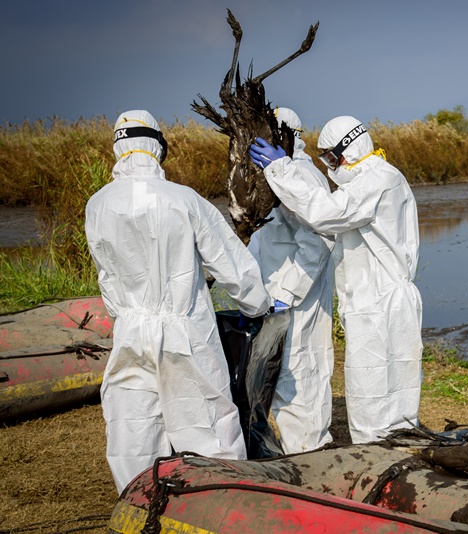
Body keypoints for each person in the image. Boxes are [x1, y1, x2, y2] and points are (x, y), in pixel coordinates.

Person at [85, 110, 272, 494]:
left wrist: (124, 316)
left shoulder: (98, 205)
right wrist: (258, 306)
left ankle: (140, 504)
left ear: (119, 148)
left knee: (133, 426)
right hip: (184, 330)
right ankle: (219, 502)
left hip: (130, 330)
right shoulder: (183, 200)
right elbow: (231, 261)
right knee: (206, 422)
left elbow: (106, 275)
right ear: (159, 148)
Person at [250, 115, 423, 444]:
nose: (330, 167)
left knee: (372, 392)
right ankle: (395, 454)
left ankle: (376, 461)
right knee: (394, 386)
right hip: (383, 300)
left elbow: (324, 213)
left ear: (350, 148)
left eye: (331, 157)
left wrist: (281, 169)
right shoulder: (378, 178)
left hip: (379, 302)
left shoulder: (377, 180)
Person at [247, 107, 336, 453]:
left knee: (302, 372)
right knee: (279, 376)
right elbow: (263, 238)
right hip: (274, 299)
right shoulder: (274, 174)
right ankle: (291, 453)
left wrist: (287, 292)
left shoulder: (300, 175)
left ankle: (310, 454)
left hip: (300, 296)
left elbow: (320, 239)